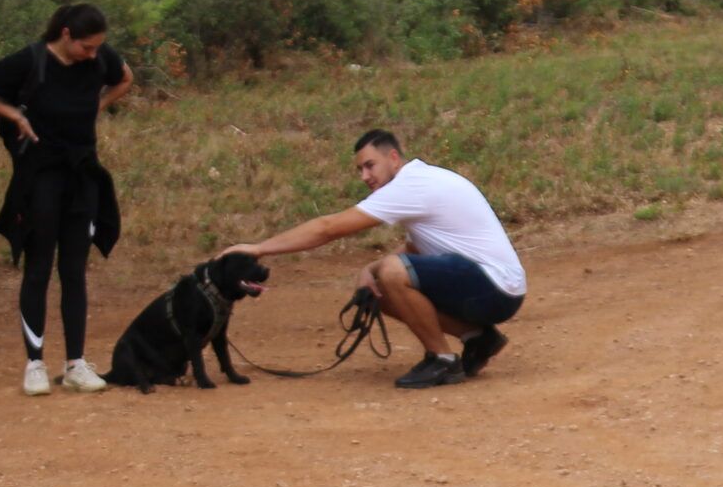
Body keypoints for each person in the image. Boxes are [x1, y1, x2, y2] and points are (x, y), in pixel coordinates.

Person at [224, 130, 525, 389]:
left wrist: (258, 249)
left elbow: (328, 228)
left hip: (495, 287)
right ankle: (478, 339)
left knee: (392, 272)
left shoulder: (410, 185)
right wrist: (370, 268)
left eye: (370, 166)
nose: (365, 177)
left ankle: (443, 360)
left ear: (393, 158)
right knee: (376, 287)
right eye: (360, 170)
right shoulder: (421, 179)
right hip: (492, 287)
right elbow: (416, 247)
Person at [0, 3, 133, 396]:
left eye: (98, 47)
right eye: (87, 47)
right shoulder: (31, 60)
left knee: (74, 270)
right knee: (38, 269)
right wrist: (14, 115)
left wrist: (97, 105)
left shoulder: (100, 57)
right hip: (40, 178)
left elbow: (125, 78)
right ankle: (34, 365)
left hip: (82, 176)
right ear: (66, 34)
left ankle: (75, 365)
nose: (94, 54)